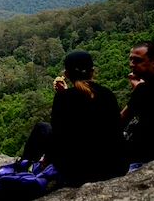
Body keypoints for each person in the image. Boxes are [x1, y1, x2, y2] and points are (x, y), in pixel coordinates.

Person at [22, 50, 127, 187]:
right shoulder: (108, 94)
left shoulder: (63, 98)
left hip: (76, 173)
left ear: (66, 74)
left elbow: (59, 136)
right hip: (112, 168)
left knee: (42, 128)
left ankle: (22, 170)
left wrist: (47, 161)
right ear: (92, 71)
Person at [121, 41, 154, 167]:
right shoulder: (143, 88)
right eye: (131, 60)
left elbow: (122, 119)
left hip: (146, 158)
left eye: (137, 61)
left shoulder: (144, 90)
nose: (131, 65)